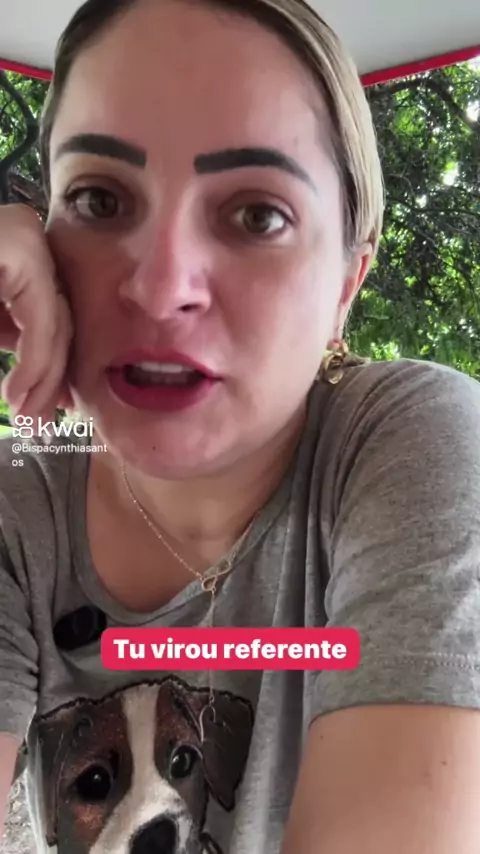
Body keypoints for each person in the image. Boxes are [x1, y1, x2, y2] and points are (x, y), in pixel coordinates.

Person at [0, 0, 480, 851]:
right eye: (100, 199)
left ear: (348, 281)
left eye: (258, 215)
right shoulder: (18, 512)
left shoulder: (405, 445)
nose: (160, 289)